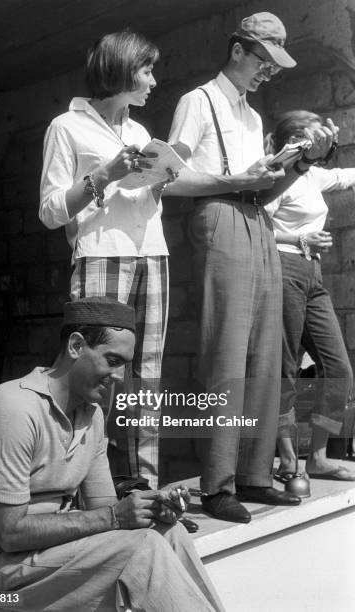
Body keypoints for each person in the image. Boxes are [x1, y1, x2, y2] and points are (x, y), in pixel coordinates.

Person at [0, 297, 224, 612]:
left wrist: (149, 509)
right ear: (76, 346)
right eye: (112, 360)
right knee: (141, 549)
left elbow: (106, 510)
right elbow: (10, 533)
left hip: (40, 554)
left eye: (125, 364)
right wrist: (116, 517)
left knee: (167, 532)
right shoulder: (15, 409)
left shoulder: (90, 415)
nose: (120, 376)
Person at [164, 12, 335, 522]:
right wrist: (232, 178)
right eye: (264, 60)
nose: (270, 72)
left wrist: (302, 163)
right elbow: (167, 180)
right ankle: (217, 483)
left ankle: (256, 475)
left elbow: (260, 190)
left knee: (265, 355)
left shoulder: (254, 118)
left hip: (257, 220)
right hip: (219, 218)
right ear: (238, 50)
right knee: (226, 355)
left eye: (276, 66)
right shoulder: (198, 101)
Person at [40, 30, 174, 490]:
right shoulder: (66, 126)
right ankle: (86, 494)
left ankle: (144, 489)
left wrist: (159, 181)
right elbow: (51, 210)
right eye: (146, 70)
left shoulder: (139, 131)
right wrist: (107, 173)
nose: (153, 81)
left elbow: (137, 201)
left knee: (147, 375)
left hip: (152, 254)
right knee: (94, 372)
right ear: (120, 69)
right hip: (100, 254)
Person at [264, 110, 355, 482]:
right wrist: (299, 238)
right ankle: (287, 459)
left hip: (312, 275)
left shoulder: (313, 175)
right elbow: (258, 227)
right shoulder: (276, 175)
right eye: (313, 139)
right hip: (285, 269)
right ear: (296, 141)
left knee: (339, 370)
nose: (319, 146)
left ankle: (317, 456)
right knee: (287, 369)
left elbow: (344, 177)